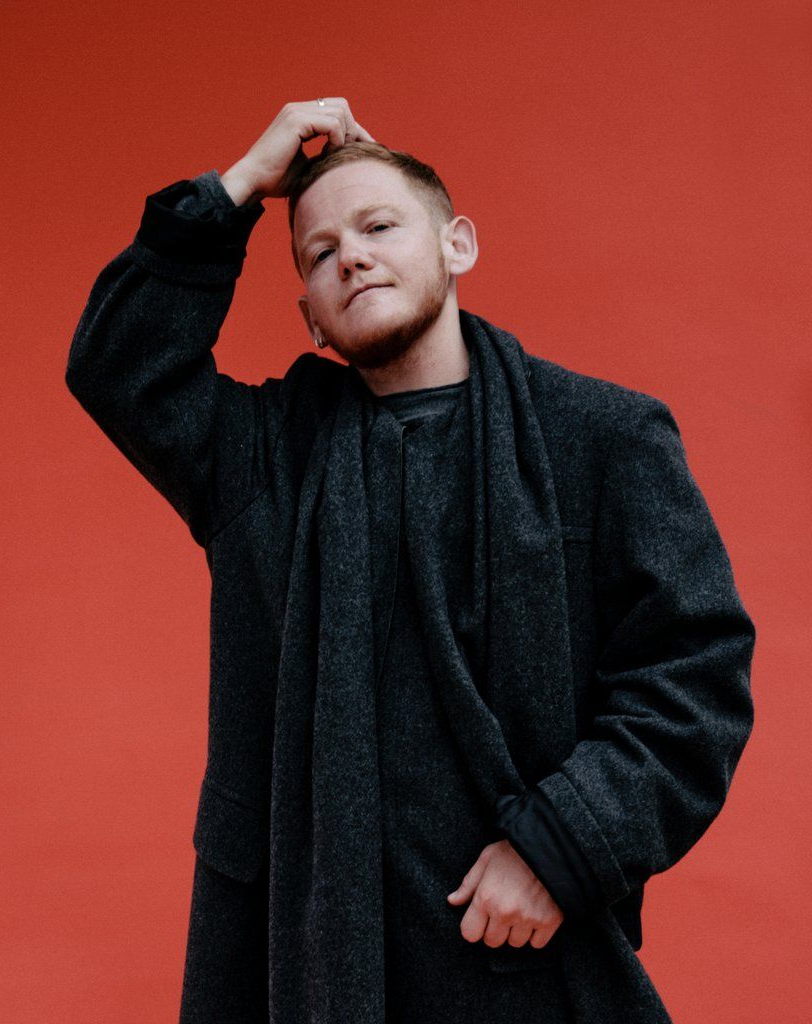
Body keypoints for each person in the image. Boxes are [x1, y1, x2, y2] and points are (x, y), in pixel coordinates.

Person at [65, 99, 756, 1024]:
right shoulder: (261, 459)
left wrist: (562, 845)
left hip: (522, 949)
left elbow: (696, 677)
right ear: (311, 319)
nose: (350, 257)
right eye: (319, 253)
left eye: (379, 227)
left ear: (456, 245)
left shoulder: (603, 438)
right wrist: (241, 185)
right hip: (309, 965)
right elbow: (117, 368)